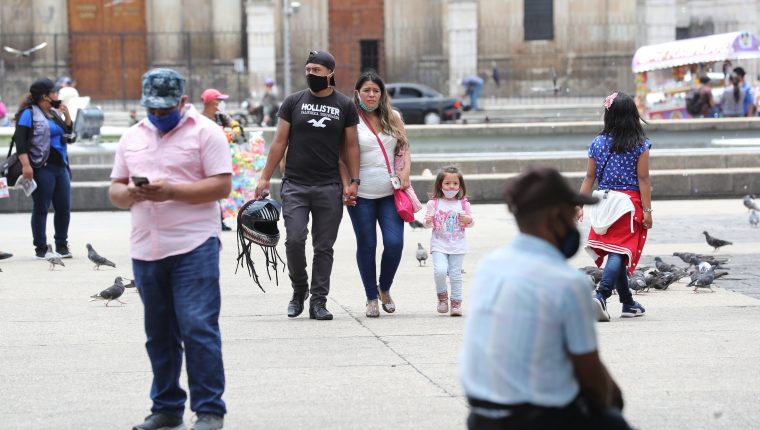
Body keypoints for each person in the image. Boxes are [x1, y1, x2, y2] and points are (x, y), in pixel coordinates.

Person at [460, 166, 632, 430]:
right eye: (573, 212)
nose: (577, 220)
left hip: (481, 417)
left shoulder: (489, 266)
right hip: (536, 420)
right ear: (555, 217)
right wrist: (615, 398)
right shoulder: (566, 282)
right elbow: (593, 379)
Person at [109, 68, 232, 430]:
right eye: (152, 108)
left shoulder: (206, 134)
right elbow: (115, 188)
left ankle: (209, 410)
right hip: (146, 249)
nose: (158, 115)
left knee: (197, 327)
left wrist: (172, 191)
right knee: (159, 333)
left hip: (194, 245)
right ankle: (165, 408)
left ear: (182, 101)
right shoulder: (131, 136)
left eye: (165, 109)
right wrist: (130, 193)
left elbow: (221, 186)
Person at [254, 50, 360, 321]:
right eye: (308, 69)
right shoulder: (293, 101)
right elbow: (279, 142)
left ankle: (319, 300)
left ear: (330, 73)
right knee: (295, 240)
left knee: (324, 247)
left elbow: (350, 146)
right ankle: (299, 289)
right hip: (295, 185)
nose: (311, 74)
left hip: (329, 186)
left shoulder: (345, 105)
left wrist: (353, 181)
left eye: (317, 70)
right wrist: (265, 177)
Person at [578, 91, 651, 322]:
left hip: (603, 201)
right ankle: (601, 295)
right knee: (619, 253)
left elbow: (589, 177)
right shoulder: (640, 144)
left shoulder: (597, 143)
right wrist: (648, 211)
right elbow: (644, 180)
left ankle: (628, 302)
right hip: (627, 205)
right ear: (632, 115)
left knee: (616, 252)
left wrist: (579, 204)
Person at [345, 70, 410, 318]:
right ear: (357, 93)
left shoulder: (393, 117)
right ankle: (371, 296)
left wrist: (405, 173)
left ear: (382, 94)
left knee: (395, 243)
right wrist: (347, 184)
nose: (371, 95)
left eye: (375, 90)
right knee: (368, 244)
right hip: (360, 194)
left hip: (389, 193)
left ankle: (385, 288)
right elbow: (342, 156)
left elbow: (404, 148)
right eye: (366, 90)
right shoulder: (350, 118)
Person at [14, 78, 75, 259]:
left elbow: (69, 134)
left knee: (64, 207)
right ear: (45, 96)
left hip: (60, 167)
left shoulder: (53, 113)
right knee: (41, 208)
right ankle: (41, 249)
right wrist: (26, 165)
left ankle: (62, 246)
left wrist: (67, 116)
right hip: (42, 167)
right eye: (54, 92)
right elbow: (20, 140)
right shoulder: (29, 113)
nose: (57, 95)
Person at [423, 166, 474, 316]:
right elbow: (426, 224)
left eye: (455, 184)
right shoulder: (434, 203)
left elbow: (471, 223)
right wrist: (428, 221)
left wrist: (468, 219)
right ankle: (442, 297)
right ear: (440, 185)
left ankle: (456, 303)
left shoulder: (464, 204)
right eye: (447, 183)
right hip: (439, 243)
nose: (451, 187)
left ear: (460, 186)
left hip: (458, 245)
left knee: (455, 274)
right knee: (440, 271)